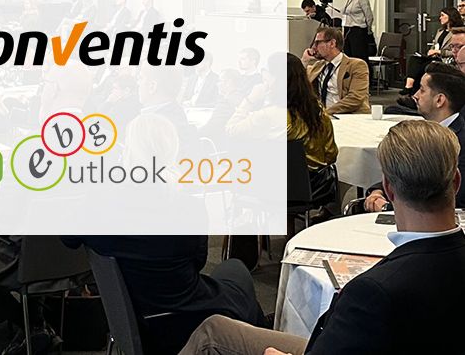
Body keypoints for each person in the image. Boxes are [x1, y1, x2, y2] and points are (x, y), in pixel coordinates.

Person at [180, 120, 465, 355]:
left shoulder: (373, 292)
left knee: (211, 335)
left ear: (388, 189)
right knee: (217, 328)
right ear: (455, 181)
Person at [63, 236, 266, 354]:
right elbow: (198, 262)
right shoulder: (184, 209)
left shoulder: (94, 214)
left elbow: (68, 239)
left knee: (236, 283)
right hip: (193, 321)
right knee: (236, 269)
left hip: (132, 326)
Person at [366, 62, 465, 211]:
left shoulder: (460, 143)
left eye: (422, 90)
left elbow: (449, 200)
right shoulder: (425, 133)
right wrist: (378, 191)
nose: (416, 95)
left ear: (439, 100)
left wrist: (386, 207)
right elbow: (406, 174)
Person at [287, 53, 338, 200]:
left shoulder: (266, 116)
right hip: (313, 185)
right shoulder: (318, 114)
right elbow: (331, 154)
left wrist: (250, 100)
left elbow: (232, 130)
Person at [398, 7, 463, 101]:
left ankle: (413, 95)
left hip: (445, 58)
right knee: (414, 59)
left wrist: (439, 52)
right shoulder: (440, 31)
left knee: (423, 67)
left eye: (442, 15)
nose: (440, 18)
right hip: (434, 57)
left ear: (450, 16)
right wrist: (432, 51)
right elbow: (435, 45)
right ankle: (409, 86)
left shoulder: (456, 33)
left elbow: (456, 51)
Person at [301, 27, 370, 114]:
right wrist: (304, 61)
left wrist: (326, 113)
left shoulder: (356, 65)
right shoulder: (318, 66)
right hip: (324, 116)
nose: (314, 47)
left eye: (317, 43)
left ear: (332, 43)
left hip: (349, 114)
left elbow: (355, 98)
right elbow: (297, 84)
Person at [340, 0, 373, 65]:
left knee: (358, 56)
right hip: (348, 28)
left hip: (358, 29)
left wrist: (368, 29)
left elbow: (369, 16)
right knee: (348, 54)